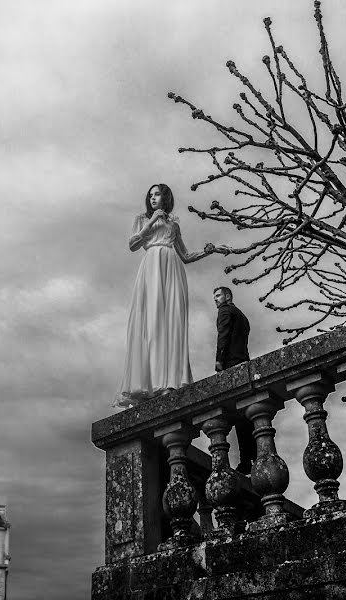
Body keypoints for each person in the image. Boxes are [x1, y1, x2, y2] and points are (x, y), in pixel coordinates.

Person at [114, 184, 216, 408]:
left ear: (166, 197)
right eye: (150, 195)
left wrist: (207, 251)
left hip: (172, 269)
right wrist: (151, 222)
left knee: (171, 323)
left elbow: (186, 256)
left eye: (157, 194)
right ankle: (147, 384)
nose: (152, 198)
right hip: (151, 267)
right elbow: (132, 245)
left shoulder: (174, 225)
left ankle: (170, 382)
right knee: (150, 323)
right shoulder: (142, 219)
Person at [213, 286, 256, 474]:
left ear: (227, 296)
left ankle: (246, 460)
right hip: (244, 361)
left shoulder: (225, 311)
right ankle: (251, 456)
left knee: (236, 413)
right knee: (246, 413)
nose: (215, 299)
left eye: (218, 295)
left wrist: (219, 360)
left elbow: (223, 335)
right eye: (214, 297)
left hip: (231, 363)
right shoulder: (242, 315)